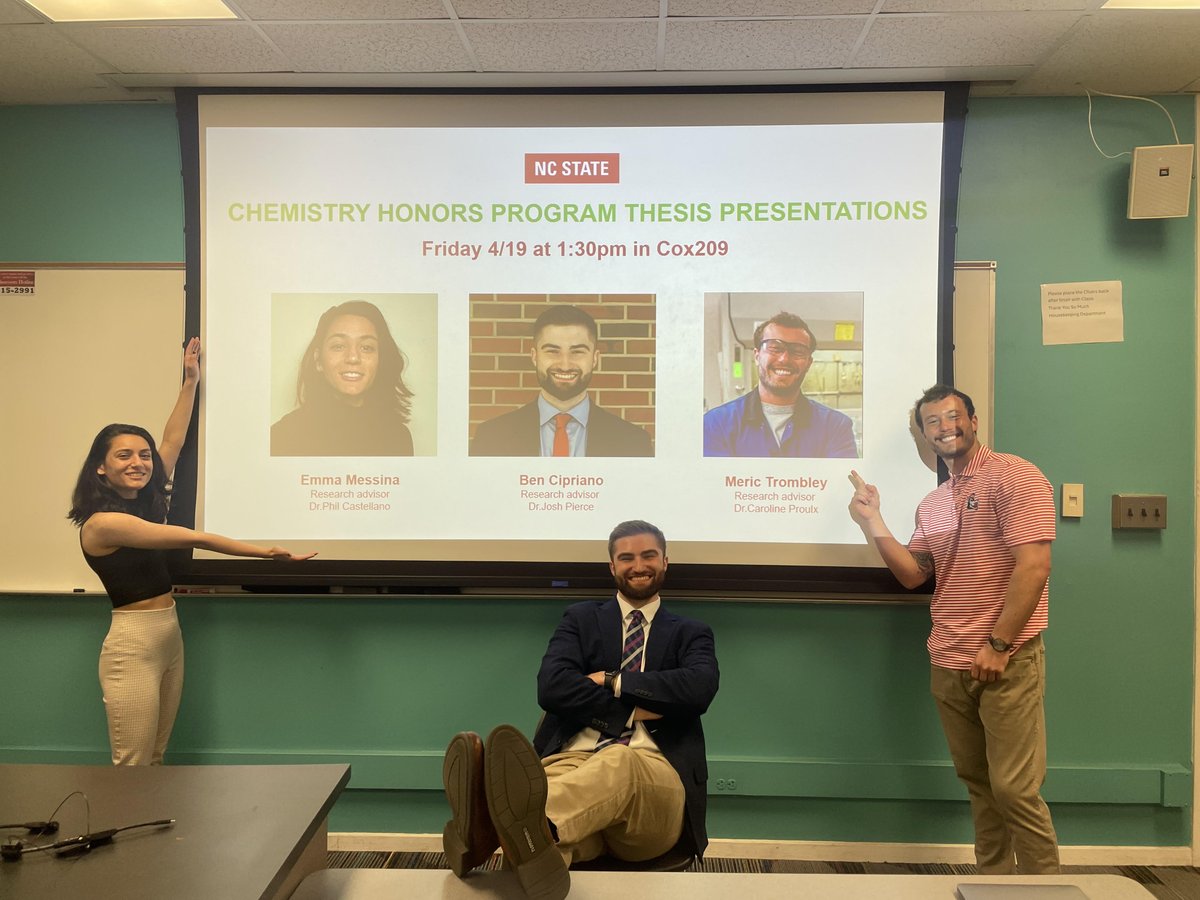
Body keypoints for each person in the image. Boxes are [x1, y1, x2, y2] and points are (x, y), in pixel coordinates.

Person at [441, 520, 719, 900]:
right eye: (627, 558)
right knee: (540, 855)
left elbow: (697, 689)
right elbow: (553, 686)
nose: (638, 565)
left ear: (665, 561)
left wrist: (611, 679)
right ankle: (532, 833)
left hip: (654, 784)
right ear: (612, 567)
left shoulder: (692, 632)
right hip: (572, 767)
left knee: (618, 762)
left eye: (648, 555)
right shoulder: (581, 619)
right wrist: (632, 712)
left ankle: (488, 827)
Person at [69, 338, 314, 766]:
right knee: (133, 762)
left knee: (157, 756)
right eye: (124, 455)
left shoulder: (138, 499)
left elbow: (173, 439)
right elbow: (196, 539)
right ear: (100, 468)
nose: (139, 463)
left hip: (168, 631)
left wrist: (190, 381)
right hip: (134, 642)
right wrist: (264, 552)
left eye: (143, 456)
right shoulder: (104, 523)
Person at [846, 385, 1058, 874]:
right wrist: (872, 520)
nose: (945, 427)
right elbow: (914, 574)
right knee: (979, 784)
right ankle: (995, 883)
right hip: (949, 659)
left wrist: (998, 645)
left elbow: (1035, 566)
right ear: (925, 434)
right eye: (933, 422)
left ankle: (1045, 887)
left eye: (953, 416)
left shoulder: (1014, 475)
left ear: (974, 421)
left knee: (1014, 789)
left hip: (1005, 657)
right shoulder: (935, 502)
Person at [469, 305, 653, 457]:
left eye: (577, 351)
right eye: (552, 351)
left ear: (595, 358)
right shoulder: (491, 437)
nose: (565, 365)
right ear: (534, 356)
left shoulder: (634, 442)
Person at [703, 311, 857, 458]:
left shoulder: (836, 427)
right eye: (775, 348)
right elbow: (714, 483)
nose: (784, 359)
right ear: (757, 356)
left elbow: (841, 484)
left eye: (797, 351)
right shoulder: (716, 424)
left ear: (809, 363)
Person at [271, 300, 415, 456]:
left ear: (380, 361)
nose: (353, 358)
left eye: (366, 347)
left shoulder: (399, 436)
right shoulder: (283, 435)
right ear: (318, 361)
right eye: (338, 346)